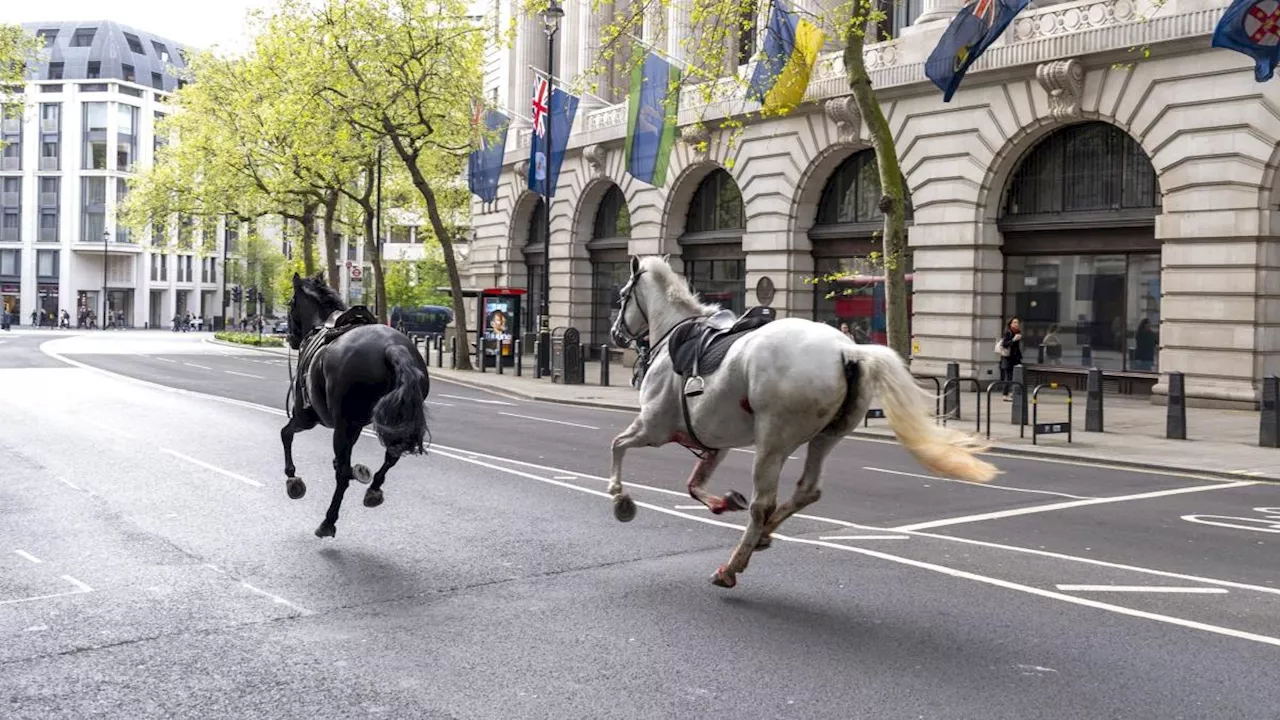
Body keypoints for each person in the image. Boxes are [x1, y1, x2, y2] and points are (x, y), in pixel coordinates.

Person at [999, 317, 1023, 401]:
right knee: (1008, 377)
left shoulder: (1018, 332)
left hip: (1015, 358)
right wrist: (1013, 339)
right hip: (1008, 358)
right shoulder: (1008, 332)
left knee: (1017, 375)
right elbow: (1005, 344)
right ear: (1011, 324)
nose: (1017, 324)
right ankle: (1005, 394)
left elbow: (1016, 347)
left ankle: (1013, 393)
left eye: (1018, 322)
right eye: (1015, 322)